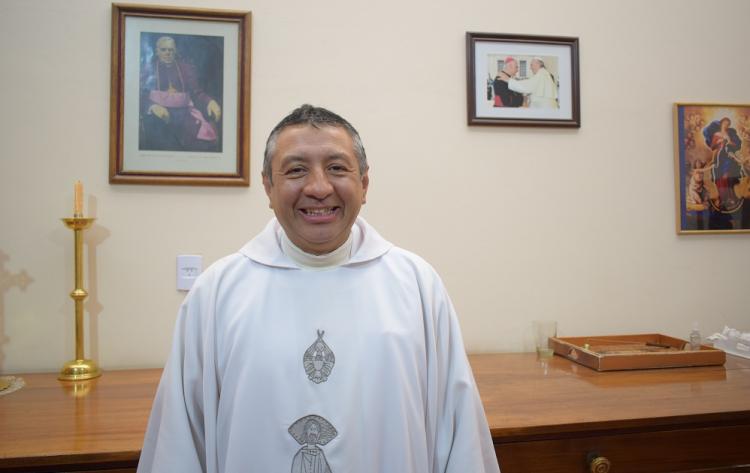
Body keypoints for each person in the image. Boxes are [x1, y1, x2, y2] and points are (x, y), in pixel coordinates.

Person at [137, 104, 500, 473]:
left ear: (365, 183)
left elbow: (458, 437)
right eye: (296, 170)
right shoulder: (217, 293)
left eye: (337, 168)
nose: (318, 188)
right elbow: (179, 442)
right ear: (268, 186)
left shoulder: (417, 285)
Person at [139, 36, 222, 152]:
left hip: (184, 116)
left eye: (171, 50)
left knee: (204, 142)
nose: (168, 53)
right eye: (164, 50)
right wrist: (152, 106)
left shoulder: (185, 67)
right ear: (157, 51)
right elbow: (140, 95)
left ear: (175, 51)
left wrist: (210, 102)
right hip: (158, 117)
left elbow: (196, 92)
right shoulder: (149, 69)